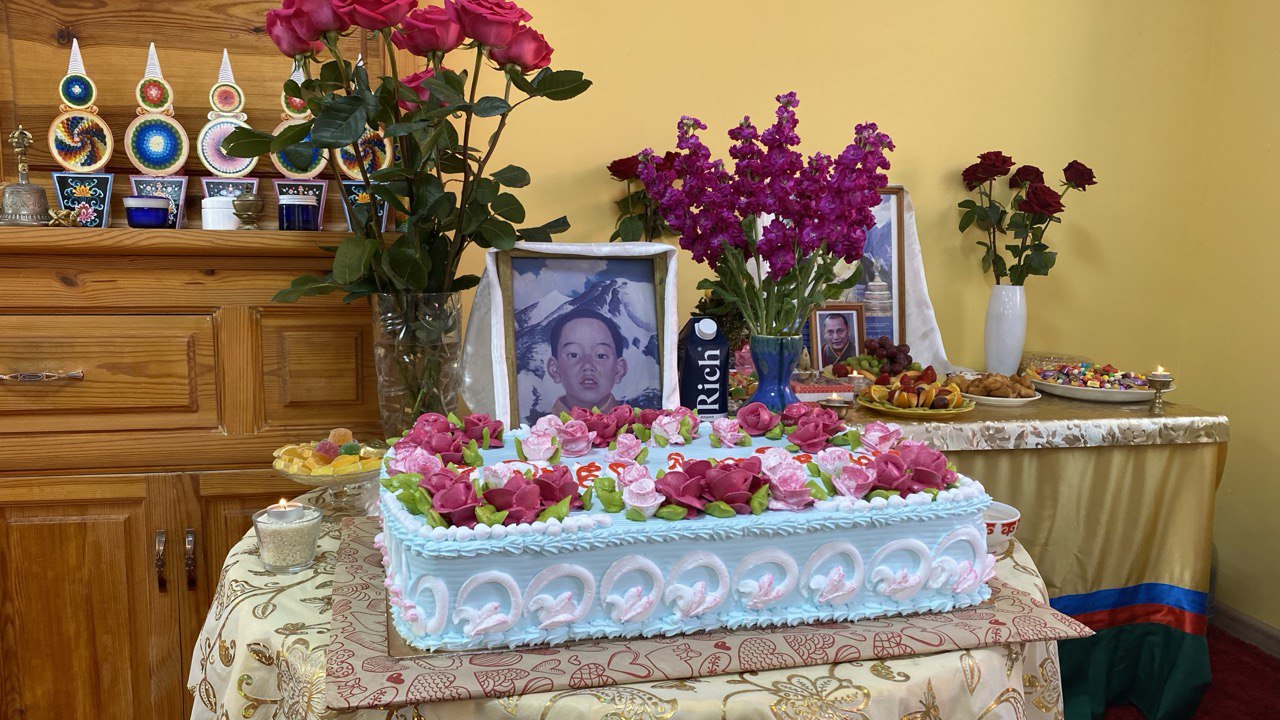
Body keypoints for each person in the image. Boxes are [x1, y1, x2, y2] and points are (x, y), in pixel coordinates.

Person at [546, 308, 629, 416]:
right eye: (573, 355)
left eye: (601, 355)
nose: (588, 365)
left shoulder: (638, 424)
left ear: (619, 369)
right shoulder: (536, 426)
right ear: (554, 369)